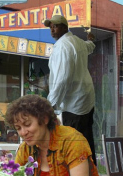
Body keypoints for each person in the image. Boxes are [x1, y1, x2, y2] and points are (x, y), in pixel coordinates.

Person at [44, 15, 97, 165]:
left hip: (74, 105)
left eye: (55, 26)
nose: (52, 29)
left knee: (74, 148)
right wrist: (91, 40)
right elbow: (89, 47)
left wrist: (49, 105)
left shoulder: (63, 46)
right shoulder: (77, 42)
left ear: (65, 27)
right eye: (50, 27)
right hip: (86, 100)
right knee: (86, 142)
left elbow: (62, 80)